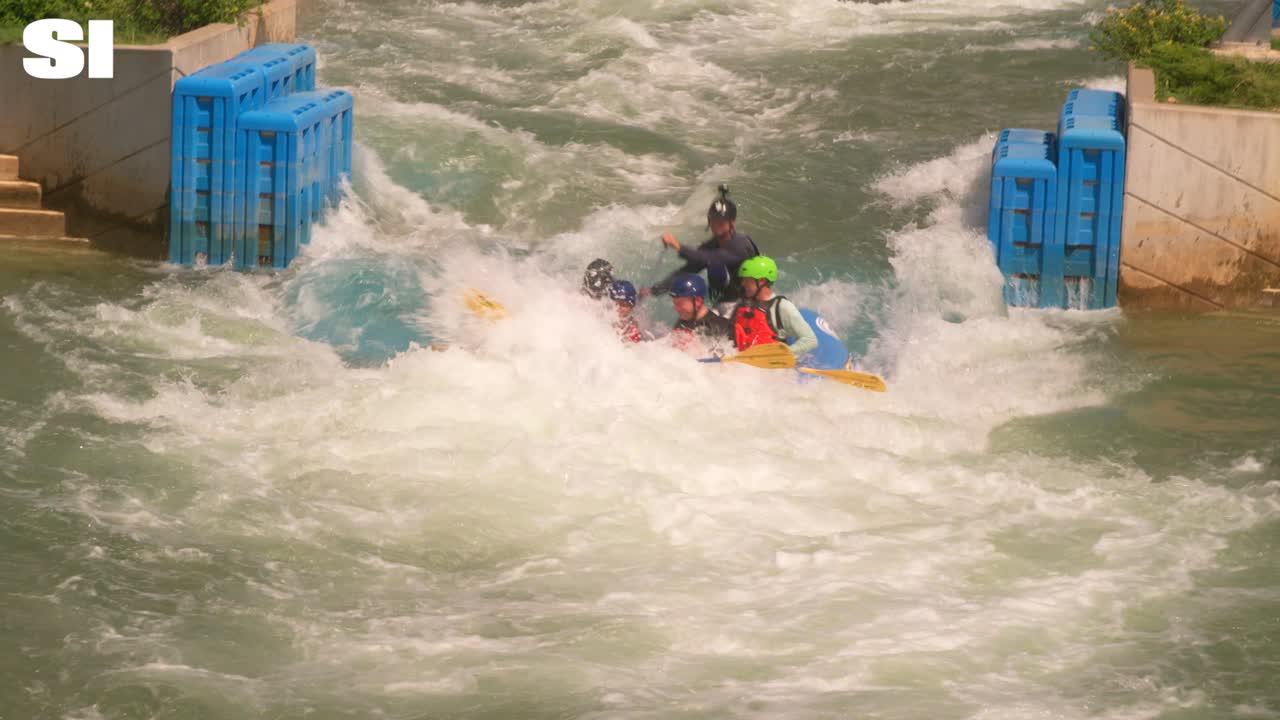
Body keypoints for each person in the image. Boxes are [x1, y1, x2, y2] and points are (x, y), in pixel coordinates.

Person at [647, 185, 759, 315]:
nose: (716, 225)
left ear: (732, 223)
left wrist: (678, 245)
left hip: (748, 303)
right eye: (713, 221)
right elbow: (687, 270)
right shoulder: (710, 246)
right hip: (723, 303)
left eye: (721, 222)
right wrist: (655, 290)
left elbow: (711, 257)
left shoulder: (741, 245)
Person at [731, 256, 817, 359]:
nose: (743, 283)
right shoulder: (742, 305)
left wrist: (782, 355)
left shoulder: (782, 307)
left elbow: (810, 340)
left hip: (771, 368)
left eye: (747, 280)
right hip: (742, 363)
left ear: (762, 281)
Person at [667, 273, 733, 352]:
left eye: (680, 304)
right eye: (675, 304)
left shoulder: (722, 328)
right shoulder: (682, 322)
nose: (676, 308)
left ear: (698, 301)